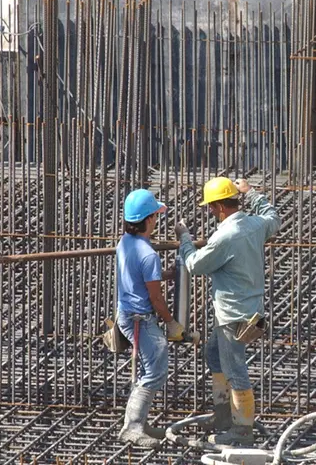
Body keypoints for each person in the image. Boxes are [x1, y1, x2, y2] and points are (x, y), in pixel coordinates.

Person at [176, 177, 280, 446]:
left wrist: (184, 239)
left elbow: (195, 265)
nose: (210, 211)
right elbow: (272, 216)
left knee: (235, 370)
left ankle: (242, 430)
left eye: (211, 206)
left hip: (232, 316)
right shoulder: (255, 224)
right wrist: (252, 192)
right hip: (250, 310)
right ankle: (223, 416)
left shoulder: (225, 236)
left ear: (220, 207)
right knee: (214, 353)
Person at [116, 189, 186, 448]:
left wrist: (162, 276)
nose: (156, 220)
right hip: (139, 319)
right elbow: (156, 299)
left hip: (127, 314)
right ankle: (132, 428)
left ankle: (139, 423)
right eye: (155, 216)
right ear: (147, 220)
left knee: (148, 370)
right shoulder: (148, 254)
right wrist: (170, 322)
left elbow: (140, 279)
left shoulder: (125, 242)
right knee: (155, 372)